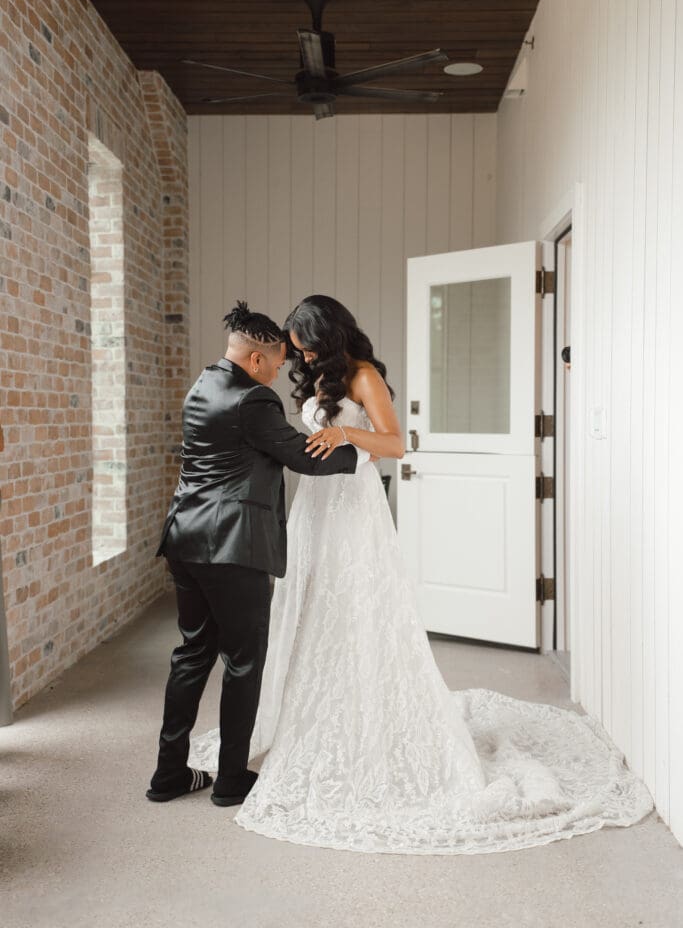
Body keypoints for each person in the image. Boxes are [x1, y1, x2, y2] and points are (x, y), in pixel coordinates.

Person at [190, 295, 653, 854]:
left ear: (329, 337)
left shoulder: (364, 377)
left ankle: (366, 723)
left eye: (307, 347)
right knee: (310, 611)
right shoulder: (319, 378)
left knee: (356, 611)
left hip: (353, 510)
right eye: (297, 349)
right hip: (314, 507)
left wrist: (346, 435)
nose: (301, 357)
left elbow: (395, 444)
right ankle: (307, 720)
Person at [147, 301, 368, 807]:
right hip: (232, 547)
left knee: (191, 655)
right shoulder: (255, 399)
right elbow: (302, 458)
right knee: (244, 663)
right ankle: (230, 781)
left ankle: (168, 774)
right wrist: (363, 453)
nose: (280, 372)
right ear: (255, 360)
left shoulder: (202, 385)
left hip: (184, 539)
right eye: (276, 363)